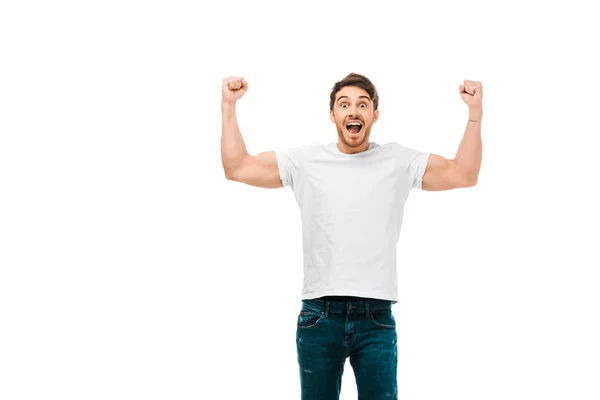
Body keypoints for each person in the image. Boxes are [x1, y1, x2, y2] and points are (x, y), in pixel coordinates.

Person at [221, 72, 483, 399]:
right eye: (344, 104)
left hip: (376, 319)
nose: (353, 110)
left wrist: (475, 114)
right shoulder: (304, 161)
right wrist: (229, 106)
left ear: (375, 114)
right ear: (333, 115)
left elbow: (464, 173)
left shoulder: (399, 160)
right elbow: (237, 167)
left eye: (363, 104)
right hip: (319, 316)